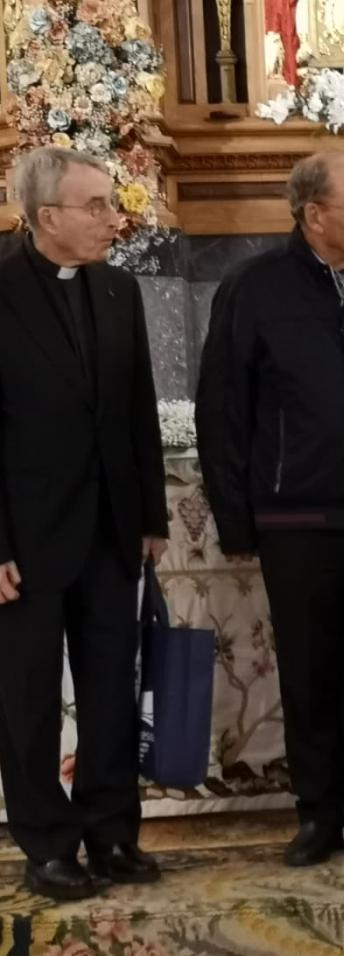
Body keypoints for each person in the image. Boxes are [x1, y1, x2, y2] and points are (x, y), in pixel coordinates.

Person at [196, 151, 344, 866]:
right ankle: (318, 815)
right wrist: (235, 518)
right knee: (309, 674)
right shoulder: (253, 288)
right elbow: (223, 411)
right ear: (315, 215)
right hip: (298, 524)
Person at [0, 147, 168, 899]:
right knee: (28, 700)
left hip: (110, 531)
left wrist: (150, 515)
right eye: (95, 206)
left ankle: (111, 832)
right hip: (25, 540)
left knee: (110, 693)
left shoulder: (118, 290)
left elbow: (137, 412)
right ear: (46, 218)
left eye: (110, 202)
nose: (113, 218)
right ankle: (46, 843)